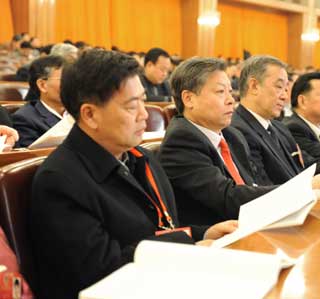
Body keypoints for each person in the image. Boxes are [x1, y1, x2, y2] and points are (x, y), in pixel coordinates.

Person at [30, 50, 237, 299]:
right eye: (131, 106)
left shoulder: (139, 156)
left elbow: (160, 228)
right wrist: (188, 245)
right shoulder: (60, 180)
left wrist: (204, 233)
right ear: (90, 114)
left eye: (143, 101)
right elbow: (104, 271)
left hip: (166, 280)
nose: (145, 115)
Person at [159, 57, 278, 226]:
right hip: (215, 239)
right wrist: (298, 191)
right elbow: (229, 198)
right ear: (189, 99)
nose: (231, 100)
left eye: (230, 91)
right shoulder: (181, 141)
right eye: (221, 92)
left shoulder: (232, 135)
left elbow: (252, 185)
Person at [230, 55, 320, 196]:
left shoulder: (278, 127)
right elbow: (262, 190)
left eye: (286, 89)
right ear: (254, 86)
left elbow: (306, 164)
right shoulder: (237, 131)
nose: (284, 96)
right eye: (279, 87)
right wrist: (309, 187)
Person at [13, 55, 65, 147]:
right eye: (65, 79)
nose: (72, 84)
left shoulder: (80, 112)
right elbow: (31, 159)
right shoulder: (25, 119)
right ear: (42, 85)